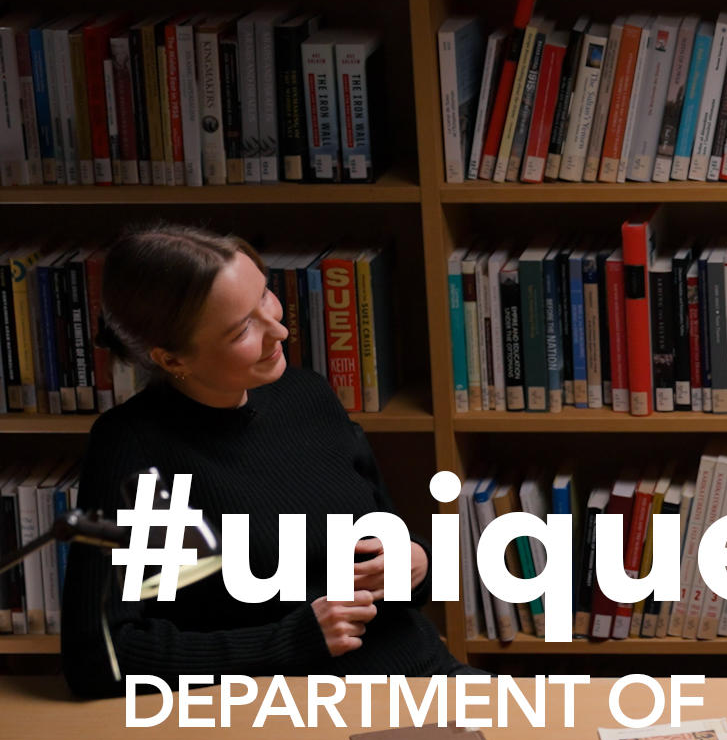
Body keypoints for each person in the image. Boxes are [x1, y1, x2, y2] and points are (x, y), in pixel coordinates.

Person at [59, 223, 474, 698]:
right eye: (242, 328)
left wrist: (413, 561)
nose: (279, 329)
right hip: (289, 711)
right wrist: (288, 641)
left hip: (420, 674)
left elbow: (378, 536)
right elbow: (98, 657)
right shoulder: (134, 450)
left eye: (266, 296)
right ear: (173, 359)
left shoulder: (306, 393)